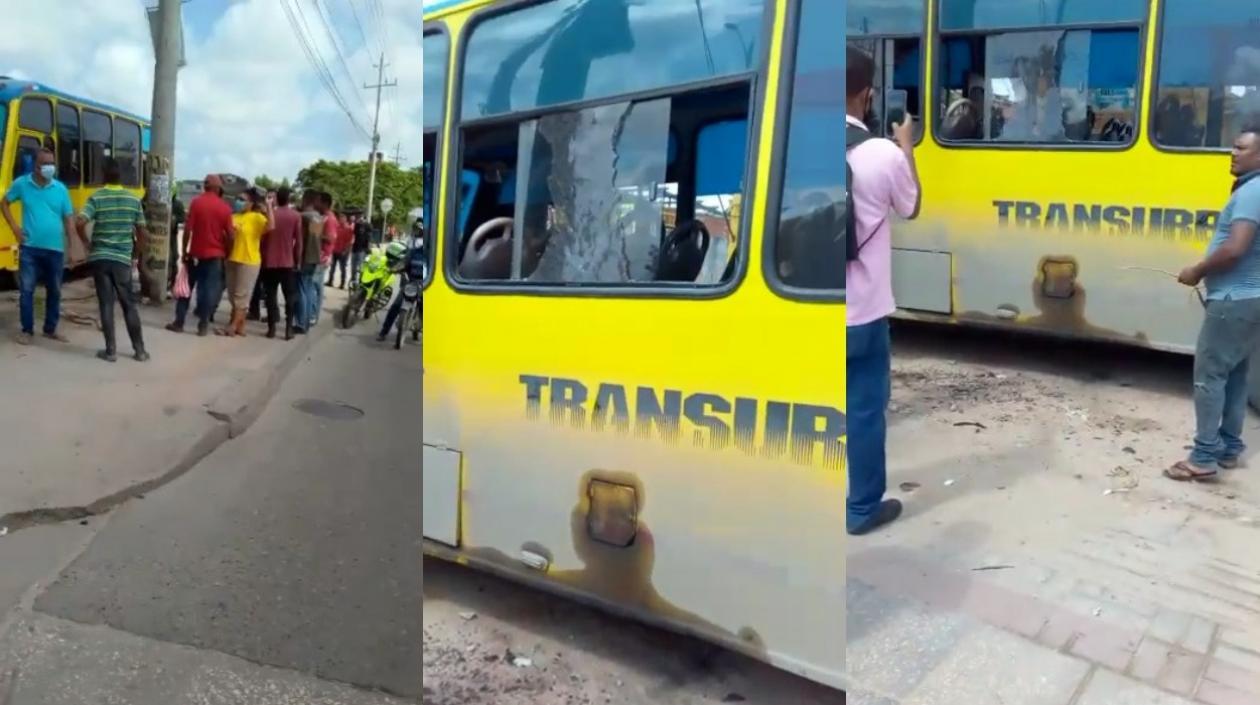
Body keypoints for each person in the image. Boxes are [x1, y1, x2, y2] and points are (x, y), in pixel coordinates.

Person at [845, 47, 922, 536]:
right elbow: (911, 206)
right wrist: (906, 143)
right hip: (864, 314)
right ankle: (861, 508)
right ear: (868, 94)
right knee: (865, 412)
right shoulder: (882, 154)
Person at [1166, 128, 1260, 482]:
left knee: (1209, 377)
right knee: (1234, 375)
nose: (1231, 153)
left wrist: (1197, 270)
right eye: (1233, 146)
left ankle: (1203, 456)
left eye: (1241, 148)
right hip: (1250, 299)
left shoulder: (1252, 192)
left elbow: (1235, 248)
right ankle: (1229, 448)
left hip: (1233, 301)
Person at [74, 157, 149, 362]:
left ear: (104, 175)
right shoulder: (133, 200)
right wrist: (136, 253)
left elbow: (80, 222)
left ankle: (110, 351)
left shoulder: (96, 197)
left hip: (100, 258)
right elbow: (143, 232)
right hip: (122, 259)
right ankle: (140, 351)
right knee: (128, 304)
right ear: (120, 177)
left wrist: (87, 243)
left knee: (106, 304)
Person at [1, 148, 75, 345]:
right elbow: (4, 203)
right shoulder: (22, 184)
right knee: (26, 290)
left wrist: (74, 245)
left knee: (55, 290)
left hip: (55, 250)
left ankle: (50, 329)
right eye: (46, 164)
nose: (51, 168)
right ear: (36, 166)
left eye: (53, 163)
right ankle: (27, 330)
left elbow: (68, 219)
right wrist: (15, 228)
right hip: (30, 249)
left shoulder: (60, 189)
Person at [168, 174, 234, 336]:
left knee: (186, 289)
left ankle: (179, 322)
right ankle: (203, 325)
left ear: (205, 187)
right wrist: (227, 253)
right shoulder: (225, 208)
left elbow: (188, 230)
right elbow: (231, 236)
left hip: (196, 255)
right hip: (216, 257)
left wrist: (184, 252)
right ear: (218, 189)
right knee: (208, 291)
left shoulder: (196, 203)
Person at [219, 188, 272, 337]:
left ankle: (233, 325)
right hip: (231, 258)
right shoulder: (233, 216)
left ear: (251, 203)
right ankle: (240, 326)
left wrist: (268, 207)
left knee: (240, 296)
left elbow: (271, 226)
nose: (238, 201)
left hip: (248, 261)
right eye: (238, 198)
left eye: (242, 199)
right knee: (232, 295)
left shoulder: (256, 217)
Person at [260, 186, 304, 339]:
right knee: (290, 297)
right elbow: (298, 242)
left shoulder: (269, 214)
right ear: (289, 199)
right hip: (287, 262)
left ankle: (271, 329)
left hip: (269, 263)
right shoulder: (295, 216)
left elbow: (263, 240)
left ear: (277, 198)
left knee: (270, 296)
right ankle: (288, 329)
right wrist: (297, 262)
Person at [296, 190, 326, 334]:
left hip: (305, 258)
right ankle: (306, 321)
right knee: (308, 290)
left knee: (301, 290)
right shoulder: (318, 218)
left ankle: (301, 323)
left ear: (305, 200)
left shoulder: (304, 217)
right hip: (315, 258)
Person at [327, 211, 352, 289]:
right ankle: (330, 281)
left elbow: (349, 242)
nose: (340, 219)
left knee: (342, 268)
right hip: (335, 250)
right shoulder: (337, 227)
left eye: (342, 218)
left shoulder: (348, 229)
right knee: (332, 267)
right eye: (340, 218)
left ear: (345, 219)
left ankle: (342, 283)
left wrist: (346, 251)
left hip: (343, 251)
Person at [350, 214, 371, 286]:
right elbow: (354, 234)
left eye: (361, 218)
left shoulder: (368, 226)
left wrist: (367, 248)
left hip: (362, 249)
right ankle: (353, 281)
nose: (360, 219)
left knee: (361, 267)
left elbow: (369, 238)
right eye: (359, 218)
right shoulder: (357, 225)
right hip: (355, 248)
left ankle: (360, 282)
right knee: (353, 267)